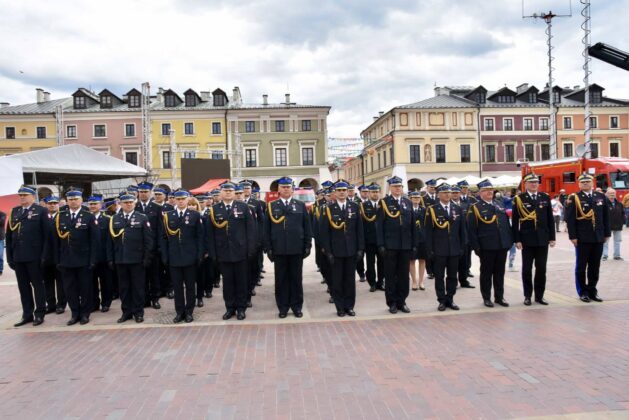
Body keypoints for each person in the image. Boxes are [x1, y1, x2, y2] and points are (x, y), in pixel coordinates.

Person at [207, 182, 256, 321]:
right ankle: (230, 308)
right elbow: (210, 234)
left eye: (230, 191)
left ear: (235, 193)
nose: (228, 193)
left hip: (241, 252)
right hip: (223, 253)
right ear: (221, 193)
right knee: (227, 283)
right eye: (225, 190)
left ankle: (241, 308)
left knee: (241, 282)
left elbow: (251, 231)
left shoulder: (244, 207)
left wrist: (250, 250)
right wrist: (213, 253)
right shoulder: (214, 209)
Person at [264, 177, 312, 318]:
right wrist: (268, 248)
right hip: (279, 250)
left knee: (296, 279)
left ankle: (297, 306)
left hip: (296, 249)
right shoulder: (272, 206)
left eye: (288, 187)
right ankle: (283, 307)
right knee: (281, 280)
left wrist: (307, 245)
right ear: (278, 189)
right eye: (283, 187)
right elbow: (266, 229)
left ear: (292, 189)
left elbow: (306, 227)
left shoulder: (300, 205)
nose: (285, 189)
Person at [6, 185, 50, 327]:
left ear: (32, 196)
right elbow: (9, 236)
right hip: (19, 256)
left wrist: (44, 256)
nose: (22, 197)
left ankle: (40, 313)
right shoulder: (14, 212)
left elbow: (47, 236)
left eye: (25, 195)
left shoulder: (41, 211)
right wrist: (10, 257)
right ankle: (27, 314)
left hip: (34, 256)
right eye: (20, 195)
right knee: (23, 287)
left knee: (37, 285)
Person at [54, 190, 99, 325]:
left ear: (81, 200)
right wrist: (58, 260)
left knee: (85, 288)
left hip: (84, 260)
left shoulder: (88, 216)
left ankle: (85, 313)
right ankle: (74, 313)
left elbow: (95, 241)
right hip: (66, 260)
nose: (73, 201)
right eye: (70, 199)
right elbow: (55, 241)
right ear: (67, 201)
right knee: (70, 289)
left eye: (75, 199)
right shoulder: (60, 216)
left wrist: (93, 260)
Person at [319, 181, 364, 317]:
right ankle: (339, 307)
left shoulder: (355, 207)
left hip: (351, 250)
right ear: (335, 193)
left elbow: (359, 230)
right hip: (336, 251)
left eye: (344, 190)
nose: (342, 192)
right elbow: (324, 232)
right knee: (337, 281)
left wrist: (360, 249)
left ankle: (349, 306)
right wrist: (328, 251)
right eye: (339, 190)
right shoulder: (328, 209)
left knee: (350, 280)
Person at [564, 173, 611, 302]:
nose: (585, 183)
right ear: (579, 184)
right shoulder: (574, 198)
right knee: (581, 266)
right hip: (582, 238)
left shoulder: (600, 196)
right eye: (583, 182)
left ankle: (592, 290)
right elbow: (570, 219)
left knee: (595, 266)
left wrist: (607, 233)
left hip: (598, 237)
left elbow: (606, 217)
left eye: (588, 181)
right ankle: (582, 292)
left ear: (592, 183)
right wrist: (573, 236)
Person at [107, 194, 153, 323]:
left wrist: (147, 258)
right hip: (121, 259)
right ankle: (126, 312)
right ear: (120, 204)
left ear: (135, 203)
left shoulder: (142, 218)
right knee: (124, 288)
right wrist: (111, 259)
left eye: (131, 202)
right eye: (125, 202)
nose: (128, 204)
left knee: (138, 288)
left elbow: (148, 241)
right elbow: (110, 241)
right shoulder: (114, 219)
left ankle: (138, 312)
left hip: (137, 260)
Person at [467, 180, 513, 308]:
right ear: (480, 192)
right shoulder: (475, 208)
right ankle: (486, 297)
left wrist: (509, 241)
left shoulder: (499, 204)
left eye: (491, 190)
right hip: (486, 246)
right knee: (486, 273)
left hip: (502, 244)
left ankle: (499, 297)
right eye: (487, 190)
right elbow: (472, 230)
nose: (490, 192)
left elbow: (505, 225)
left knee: (499, 272)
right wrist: (476, 247)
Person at [160, 190, 204, 323]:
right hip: (174, 257)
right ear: (174, 200)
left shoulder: (195, 215)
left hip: (190, 257)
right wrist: (165, 256)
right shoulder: (168, 216)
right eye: (177, 199)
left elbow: (200, 237)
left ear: (187, 199)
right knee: (177, 287)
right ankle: (179, 312)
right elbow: (163, 238)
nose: (180, 201)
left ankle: (189, 312)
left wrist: (199, 255)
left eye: (183, 199)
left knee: (190, 286)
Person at [512, 173, 556, 306]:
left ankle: (539, 296)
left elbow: (550, 219)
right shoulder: (519, 199)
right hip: (527, 239)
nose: (534, 184)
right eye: (531, 182)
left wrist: (552, 237)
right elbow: (515, 221)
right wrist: (517, 239)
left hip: (542, 238)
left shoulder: (544, 197)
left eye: (536, 182)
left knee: (541, 268)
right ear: (525, 184)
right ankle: (527, 295)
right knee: (527, 269)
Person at [377, 176, 415, 314]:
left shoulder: (408, 203)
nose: (398, 189)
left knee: (404, 275)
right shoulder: (384, 203)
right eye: (395, 186)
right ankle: (392, 302)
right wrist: (381, 244)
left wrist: (414, 244)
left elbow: (413, 226)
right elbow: (379, 225)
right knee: (390, 275)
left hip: (405, 245)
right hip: (390, 245)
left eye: (400, 186)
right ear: (390, 188)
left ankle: (402, 301)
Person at [425, 184, 466, 311]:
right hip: (439, 249)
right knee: (439, 276)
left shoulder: (457, 209)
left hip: (454, 248)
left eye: (449, 192)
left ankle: (450, 299)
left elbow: (462, 230)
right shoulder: (432, 209)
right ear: (438, 195)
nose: (447, 194)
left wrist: (462, 247)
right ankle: (441, 300)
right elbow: (428, 232)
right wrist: (430, 250)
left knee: (453, 276)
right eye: (444, 192)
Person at [134, 182, 163, 310]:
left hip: (154, 249)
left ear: (150, 193)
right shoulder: (134, 208)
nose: (143, 194)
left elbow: (161, 230)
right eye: (141, 192)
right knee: (141, 277)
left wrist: (160, 247)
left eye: (145, 192)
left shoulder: (157, 208)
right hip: (139, 249)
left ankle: (155, 298)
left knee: (155, 275)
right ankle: (145, 299)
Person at [87, 195, 113, 313]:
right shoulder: (85, 218)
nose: (92, 206)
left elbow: (110, 240)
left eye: (95, 204)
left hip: (103, 256)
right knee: (91, 281)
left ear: (101, 205)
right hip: (89, 256)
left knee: (106, 282)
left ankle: (106, 303)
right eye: (91, 204)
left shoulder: (107, 219)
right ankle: (94, 303)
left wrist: (109, 257)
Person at [42, 195, 66, 314]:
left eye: (55, 203)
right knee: (48, 282)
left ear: (58, 204)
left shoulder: (63, 217)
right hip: (45, 256)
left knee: (61, 282)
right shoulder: (43, 218)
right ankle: (50, 304)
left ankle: (61, 304)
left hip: (59, 255)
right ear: (46, 205)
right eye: (50, 203)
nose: (52, 205)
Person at [360, 183, 384, 292]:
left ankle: (380, 282)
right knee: (370, 263)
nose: (375, 194)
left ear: (379, 192)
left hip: (382, 240)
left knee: (382, 262)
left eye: (377, 192)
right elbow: (362, 225)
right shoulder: (363, 206)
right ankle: (372, 283)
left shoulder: (384, 205)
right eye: (373, 192)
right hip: (369, 240)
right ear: (369, 193)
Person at [450, 186, 475, 288]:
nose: (455, 194)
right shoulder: (448, 205)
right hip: (453, 238)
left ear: (460, 193)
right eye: (453, 193)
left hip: (465, 237)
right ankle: (453, 281)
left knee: (465, 261)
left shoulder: (466, 205)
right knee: (453, 262)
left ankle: (464, 280)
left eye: (457, 193)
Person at [408, 190, 426, 291]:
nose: (416, 200)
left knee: (422, 260)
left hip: (422, 238)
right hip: (411, 239)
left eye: (418, 198)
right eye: (414, 198)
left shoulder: (424, 210)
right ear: (410, 199)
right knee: (412, 260)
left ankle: (421, 281)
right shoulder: (408, 210)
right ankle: (414, 281)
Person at [602, 188, 625, 261]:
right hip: (607, 226)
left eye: (613, 193)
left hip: (618, 225)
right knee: (605, 241)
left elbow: (622, 213)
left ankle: (617, 256)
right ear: (606, 194)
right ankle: (604, 255)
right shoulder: (603, 204)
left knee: (617, 241)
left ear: (615, 194)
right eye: (610, 193)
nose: (612, 195)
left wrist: (622, 222)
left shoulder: (619, 204)